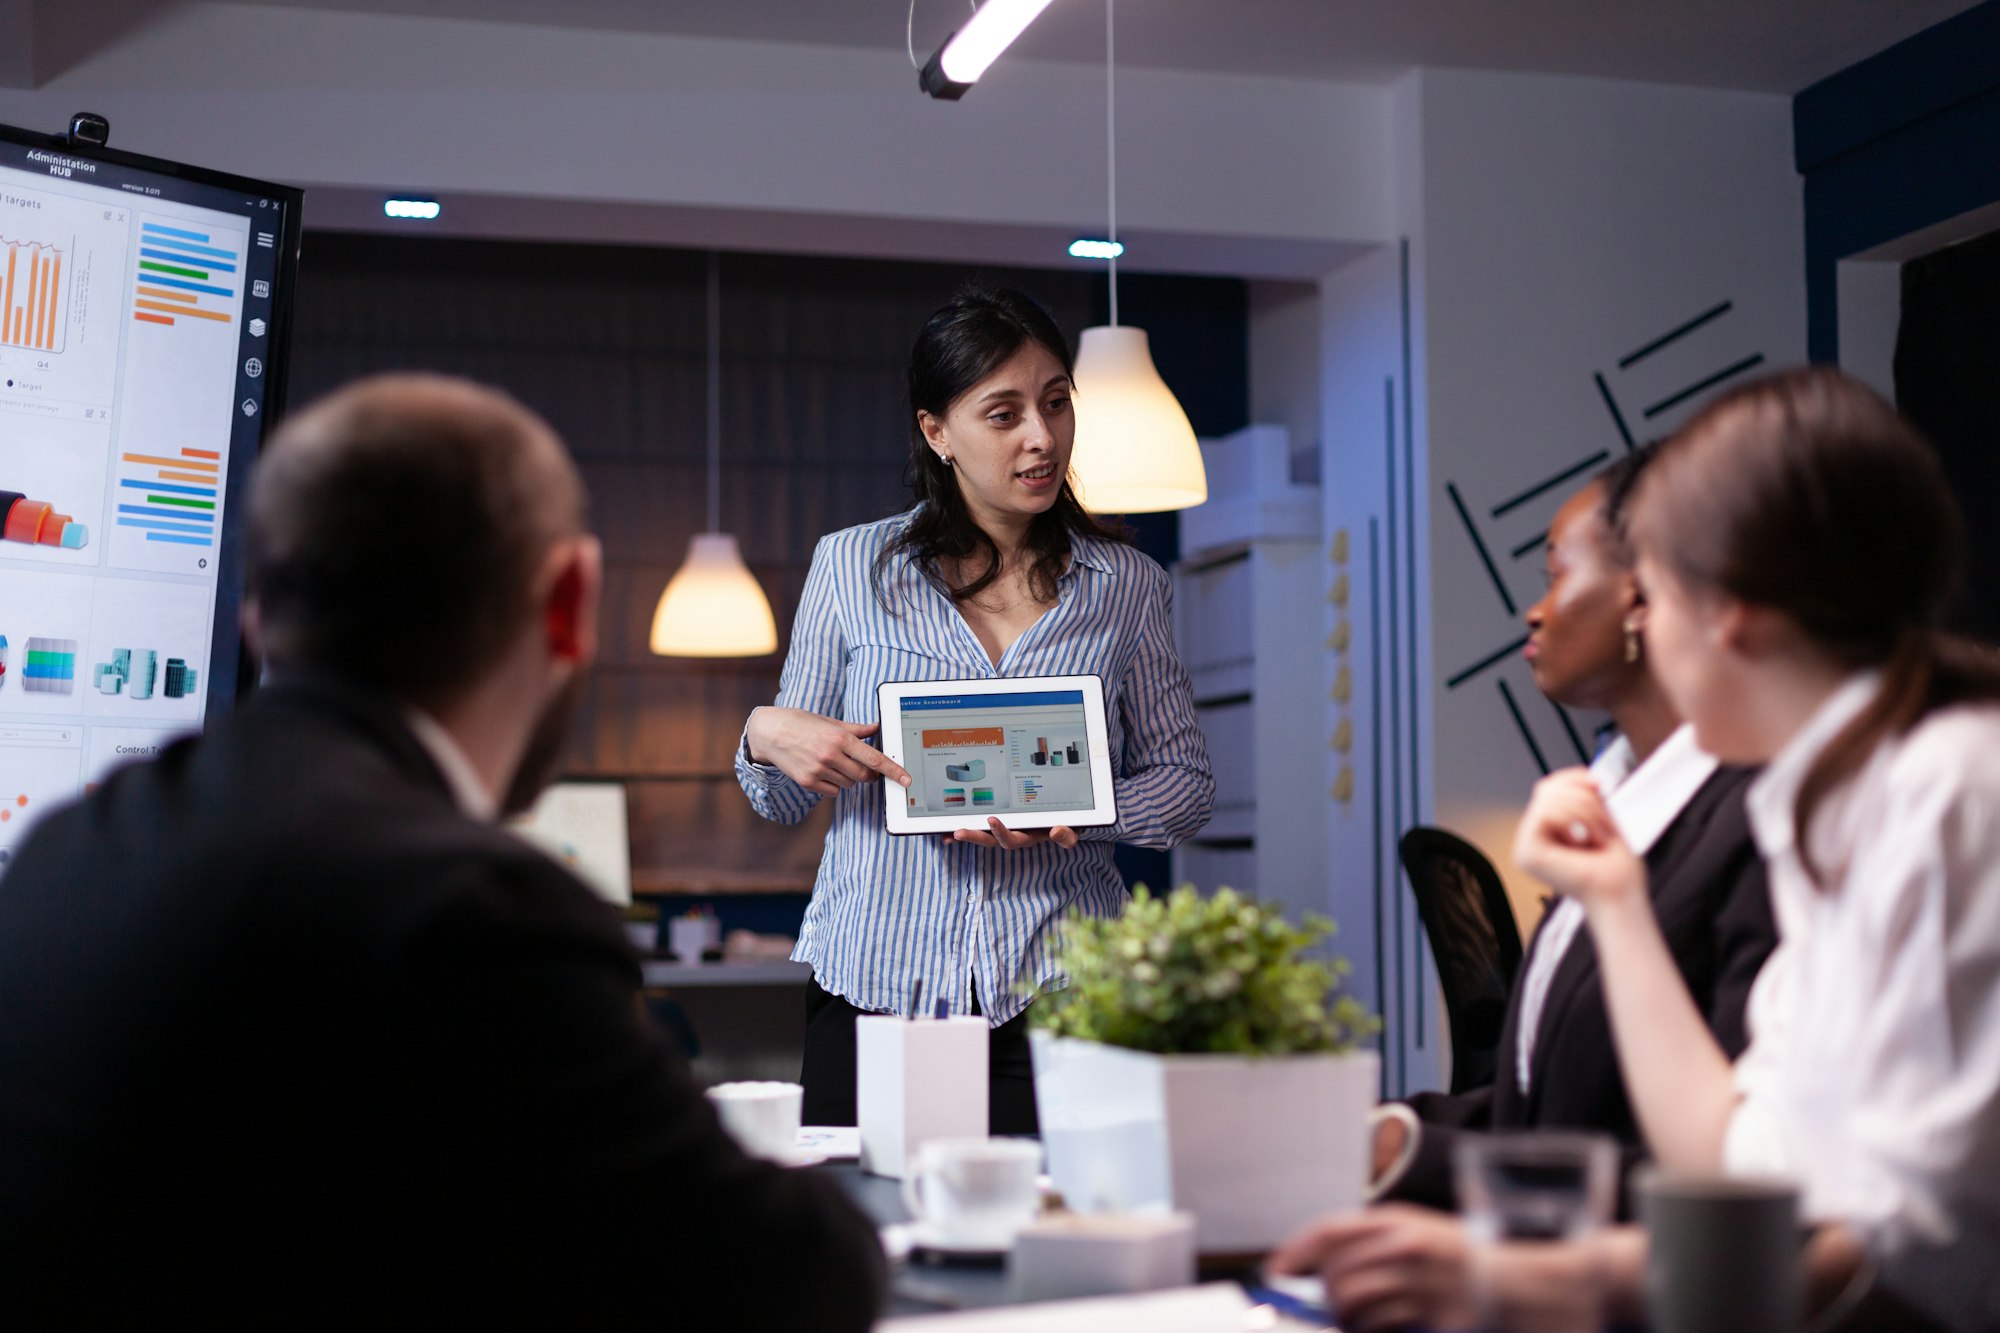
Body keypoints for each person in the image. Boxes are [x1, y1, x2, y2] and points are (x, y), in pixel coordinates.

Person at [0, 375, 886, 1329]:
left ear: (258, 612)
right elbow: (786, 1277)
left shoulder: (62, 853)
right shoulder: (478, 912)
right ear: (569, 602)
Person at [1274, 368, 2000, 1331]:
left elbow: (1908, 1245)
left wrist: (1537, 1282)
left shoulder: (1948, 786)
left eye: (1651, 594)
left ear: (1729, 606)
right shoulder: (1818, 802)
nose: (1644, 631)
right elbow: (1736, 1165)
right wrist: (1615, 904)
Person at [737, 287, 1214, 1133]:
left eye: (1058, 402)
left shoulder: (1127, 586)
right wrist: (762, 732)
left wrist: (1080, 812)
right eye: (1004, 413)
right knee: (868, 1240)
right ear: (937, 432)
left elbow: (1186, 784)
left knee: (1064, 1241)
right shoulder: (851, 568)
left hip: (1065, 997)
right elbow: (777, 798)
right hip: (878, 990)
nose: (1042, 436)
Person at [1372, 446, 1776, 1211]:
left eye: (1558, 575)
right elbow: (1543, 1107)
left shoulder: (1753, 826)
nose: (1536, 609)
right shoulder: (1611, 800)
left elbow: (1732, 1159)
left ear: (1642, 595)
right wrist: (1396, 1138)